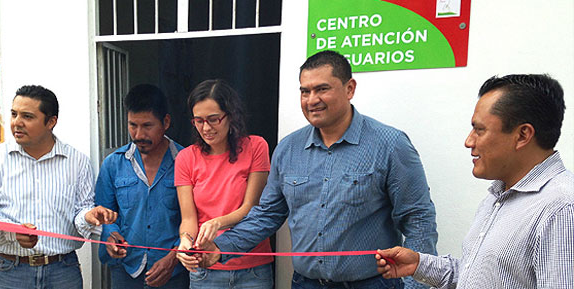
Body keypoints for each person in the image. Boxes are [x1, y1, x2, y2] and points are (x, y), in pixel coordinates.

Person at [197, 50, 438, 289]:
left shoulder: (389, 144)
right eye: (305, 91)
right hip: (305, 283)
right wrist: (221, 247)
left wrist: (415, 285)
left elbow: (418, 219)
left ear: (349, 88)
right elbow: (268, 214)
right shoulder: (288, 149)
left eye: (322, 89)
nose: (312, 99)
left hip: (371, 283)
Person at [376, 74, 574, 288]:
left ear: (523, 135)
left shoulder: (561, 209)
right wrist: (419, 264)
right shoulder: (499, 194)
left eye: (480, 130)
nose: (469, 141)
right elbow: (480, 275)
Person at [0, 85, 117, 289]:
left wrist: (89, 216)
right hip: (11, 271)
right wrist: (13, 232)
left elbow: (81, 212)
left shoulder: (77, 161)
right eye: (13, 114)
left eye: (27, 116)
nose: (17, 123)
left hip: (62, 269)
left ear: (51, 122)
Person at [175, 79, 274, 288]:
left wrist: (217, 222)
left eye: (213, 119)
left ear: (231, 116)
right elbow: (189, 218)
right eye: (198, 121)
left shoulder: (256, 147)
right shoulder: (186, 158)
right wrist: (185, 242)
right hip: (206, 270)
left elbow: (251, 208)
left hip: (252, 268)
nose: (206, 128)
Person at [95, 84, 189, 288]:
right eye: (132, 125)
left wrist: (174, 258)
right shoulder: (113, 164)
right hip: (125, 269)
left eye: (147, 126)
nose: (138, 134)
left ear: (166, 122)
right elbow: (104, 212)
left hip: (172, 272)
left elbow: (194, 218)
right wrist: (111, 235)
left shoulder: (186, 161)